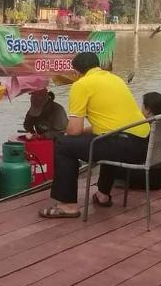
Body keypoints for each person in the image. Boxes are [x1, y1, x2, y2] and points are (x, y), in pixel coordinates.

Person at [38, 52, 149, 218]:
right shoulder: (115, 79)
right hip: (143, 145)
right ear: (97, 66)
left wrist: (63, 131)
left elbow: (74, 130)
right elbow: (108, 125)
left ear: (76, 73)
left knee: (63, 145)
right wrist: (80, 131)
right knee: (105, 139)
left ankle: (68, 205)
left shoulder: (81, 85)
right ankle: (103, 195)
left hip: (123, 145)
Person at [124, 91, 161, 190]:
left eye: (142, 105)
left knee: (112, 163)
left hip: (148, 178)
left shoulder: (145, 129)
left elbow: (135, 154)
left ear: (148, 110)